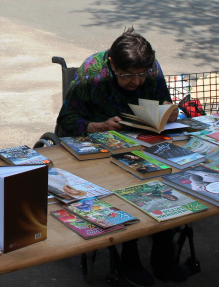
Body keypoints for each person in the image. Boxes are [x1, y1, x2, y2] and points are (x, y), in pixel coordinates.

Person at [56, 27, 185, 286]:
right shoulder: (93, 70)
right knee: (125, 184)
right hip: (100, 142)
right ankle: (129, 254)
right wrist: (99, 126)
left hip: (142, 139)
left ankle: (163, 248)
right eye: (126, 75)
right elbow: (66, 122)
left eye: (141, 74)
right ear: (112, 64)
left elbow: (164, 104)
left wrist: (169, 113)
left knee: (170, 176)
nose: (136, 82)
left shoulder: (151, 68)